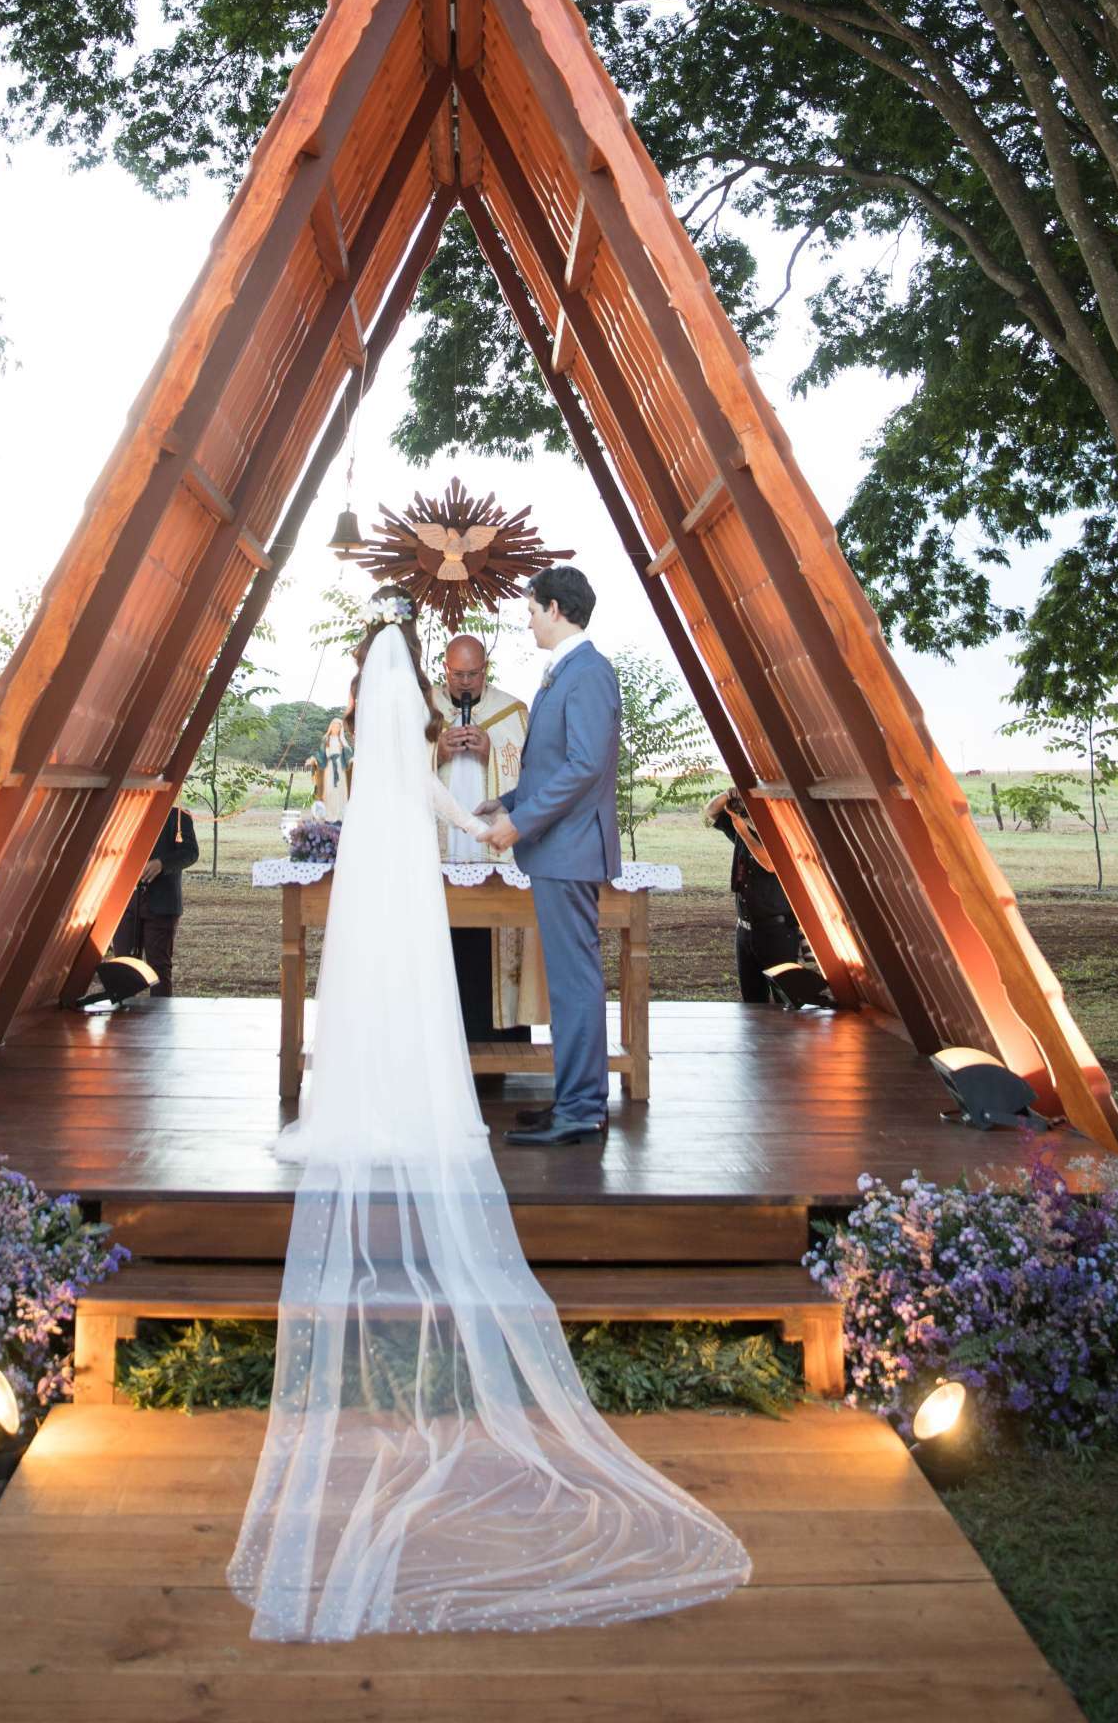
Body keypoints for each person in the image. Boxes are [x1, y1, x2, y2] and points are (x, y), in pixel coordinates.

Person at [228, 598, 748, 1641]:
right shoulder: (415, 712)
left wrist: (489, 810)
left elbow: (402, 778)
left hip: (400, 862)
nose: (455, 677)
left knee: (377, 988)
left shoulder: (445, 704)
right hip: (423, 857)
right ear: (424, 666)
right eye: (443, 666)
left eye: (469, 665)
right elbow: (421, 778)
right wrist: (478, 821)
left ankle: (390, 1093)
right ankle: (458, 1094)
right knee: (422, 985)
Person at [482, 564, 620, 1147]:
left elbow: (586, 766)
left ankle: (582, 1109)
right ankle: (572, 1099)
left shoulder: (587, 673)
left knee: (574, 983)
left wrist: (520, 823)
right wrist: (508, 801)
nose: (529, 621)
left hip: (568, 850)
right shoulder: (566, 671)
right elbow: (554, 764)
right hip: (558, 850)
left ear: (556, 610)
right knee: (567, 984)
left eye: (532, 610)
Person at [431, 631, 537, 1039]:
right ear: (445, 669)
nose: (464, 682)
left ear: (485, 670)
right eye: (457, 674)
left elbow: (533, 777)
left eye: (472, 674)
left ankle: (501, 1040)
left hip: (493, 851)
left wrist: (490, 752)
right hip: (438, 850)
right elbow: (400, 770)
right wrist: (436, 752)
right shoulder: (425, 709)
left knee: (493, 937)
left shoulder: (511, 712)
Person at [705, 786, 826, 1006]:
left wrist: (743, 831)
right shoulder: (744, 828)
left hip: (776, 932)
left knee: (786, 998)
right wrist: (729, 794)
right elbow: (711, 811)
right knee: (752, 1001)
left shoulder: (782, 833)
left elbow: (770, 864)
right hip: (745, 929)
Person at [111, 795, 198, 997]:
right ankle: (123, 1015)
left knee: (159, 968)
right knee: (122, 965)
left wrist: (162, 864)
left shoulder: (178, 816)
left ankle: (160, 1015)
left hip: (162, 902)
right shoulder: (122, 812)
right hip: (125, 902)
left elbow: (190, 853)